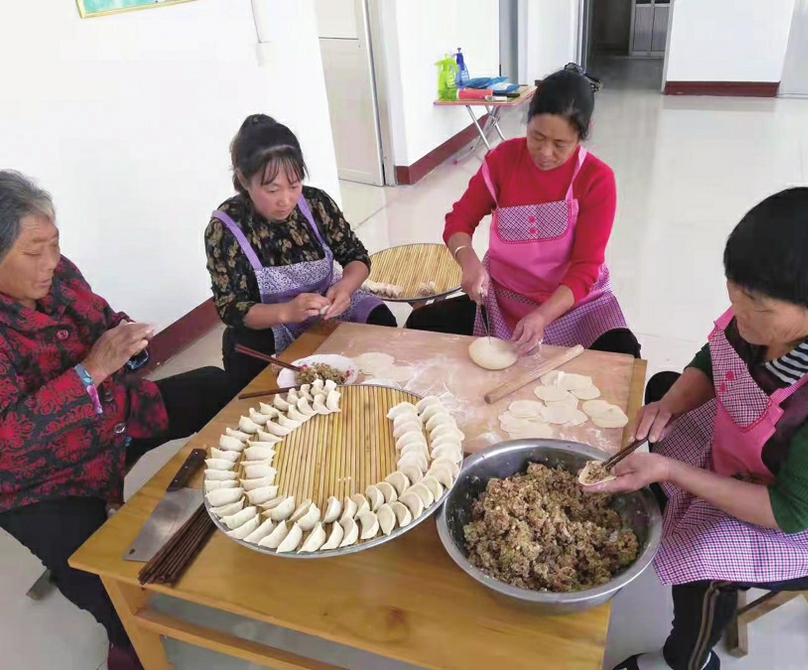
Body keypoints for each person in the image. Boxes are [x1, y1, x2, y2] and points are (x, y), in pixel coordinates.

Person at [583, 188, 808, 670]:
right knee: (665, 387)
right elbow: (717, 356)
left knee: (704, 560)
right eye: (735, 294)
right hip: (758, 455)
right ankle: (667, 505)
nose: (740, 316)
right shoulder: (766, 307)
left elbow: (791, 511)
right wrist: (669, 404)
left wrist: (669, 470)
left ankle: (687, 659)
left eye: (759, 309)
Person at [0, 171, 232, 670]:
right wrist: (92, 371)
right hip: (39, 481)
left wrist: (126, 343)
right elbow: (9, 437)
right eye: (34, 251)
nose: (51, 264)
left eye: (55, 244)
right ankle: (123, 634)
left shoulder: (60, 275)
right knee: (107, 587)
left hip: (114, 420)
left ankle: (239, 501)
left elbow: (100, 318)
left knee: (216, 386)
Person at [406, 69, 639, 357]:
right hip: (502, 301)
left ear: (582, 133)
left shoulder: (596, 179)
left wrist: (542, 316)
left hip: (575, 305)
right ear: (527, 121)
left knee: (623, 355)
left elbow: (586, 268)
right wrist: (469, 261)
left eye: (560, 144)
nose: (544, 152)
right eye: (536, 137)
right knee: (422, 324)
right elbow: (459, 221)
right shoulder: (503, 160)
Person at [205, 114, 397, 389]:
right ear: (244, 179)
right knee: (242, 350)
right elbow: (231, 308)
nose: (286, 200)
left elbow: (356, 256)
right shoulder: (225, 228)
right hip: (272, 322)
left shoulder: (317, 204)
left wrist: (344, 288)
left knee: (380, 318)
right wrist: (286, 312)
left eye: (294, 185)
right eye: (272, 189)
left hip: (328, 306)